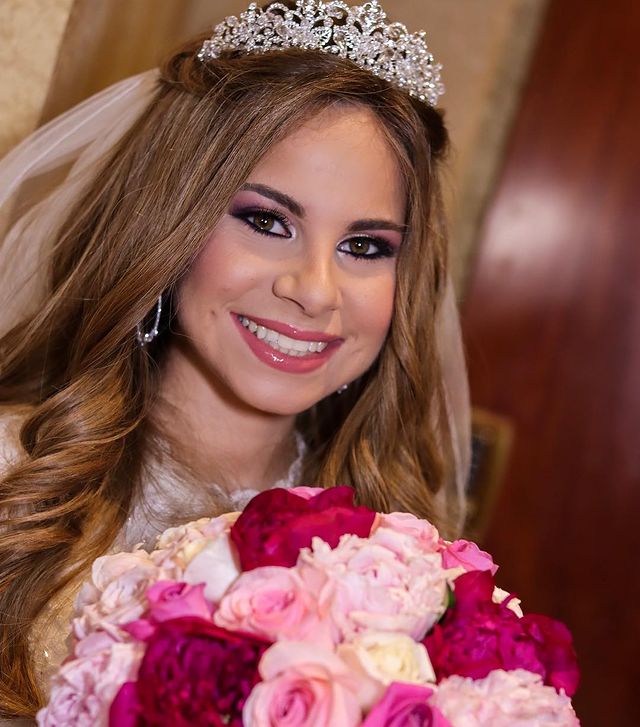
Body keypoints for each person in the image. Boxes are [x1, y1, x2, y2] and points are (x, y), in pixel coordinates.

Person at [0, 0, 470, 720]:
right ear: (170, 225)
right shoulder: (17, 479)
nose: (315, 290)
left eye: (364, 246)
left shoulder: (404, 561)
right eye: (266, 221)